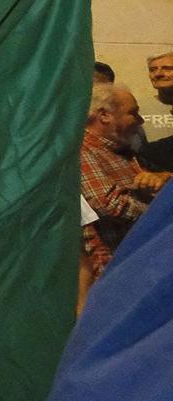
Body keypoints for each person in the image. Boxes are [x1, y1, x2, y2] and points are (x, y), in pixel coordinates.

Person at [80, 82, 166, 295]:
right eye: (133, 113)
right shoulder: (84, 150)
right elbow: (109, 204)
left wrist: (158, 182)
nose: (140, 120)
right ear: (105, 115)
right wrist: (162, 212)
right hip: (112, 273)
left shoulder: (123, 152)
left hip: (137, 266)